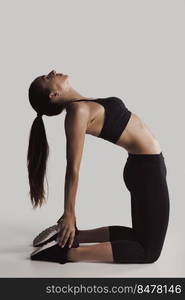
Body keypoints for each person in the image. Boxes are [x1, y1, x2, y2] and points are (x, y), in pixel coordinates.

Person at [27, 70, 170, 264]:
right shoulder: (77, 113)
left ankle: (75, 237)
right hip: (146, 172)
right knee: (149, 252)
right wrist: (69, 214)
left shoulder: (83, 104)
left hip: (146, 167)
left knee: (139, 236)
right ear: (53, 95)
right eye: (46, 78)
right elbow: (73, 168)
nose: (51, 72)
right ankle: (66, 254)